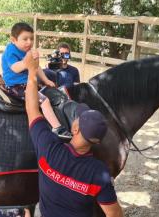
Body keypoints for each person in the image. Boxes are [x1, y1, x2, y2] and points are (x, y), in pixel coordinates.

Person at [24, 50, 123, 217]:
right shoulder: (99, 174)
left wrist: (32, 72)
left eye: (77, 119)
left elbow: (32, 109)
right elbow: (115, 214)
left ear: (75, 129)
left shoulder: (49, 147)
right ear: (96, 141)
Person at [2, 22, 71, 139]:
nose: (29, 42)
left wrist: (46, 80)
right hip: (17, 86)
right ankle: (57, 128)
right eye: (25, 39)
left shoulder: (27, 50)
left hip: (28, 83)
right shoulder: (10, 51)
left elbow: (37, 67)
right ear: (13, 40)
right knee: (44, 101)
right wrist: (26, 63)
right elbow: (15, 67)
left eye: (31, 39)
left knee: (53, 92)